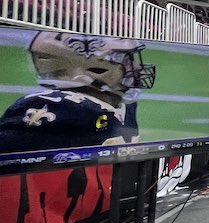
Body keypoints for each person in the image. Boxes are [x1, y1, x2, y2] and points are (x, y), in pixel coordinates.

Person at [0, 31, 153, 153]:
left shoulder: (124, 105)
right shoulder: (57, 107)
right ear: (93, 66)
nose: (137, 67)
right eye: (126, 59)